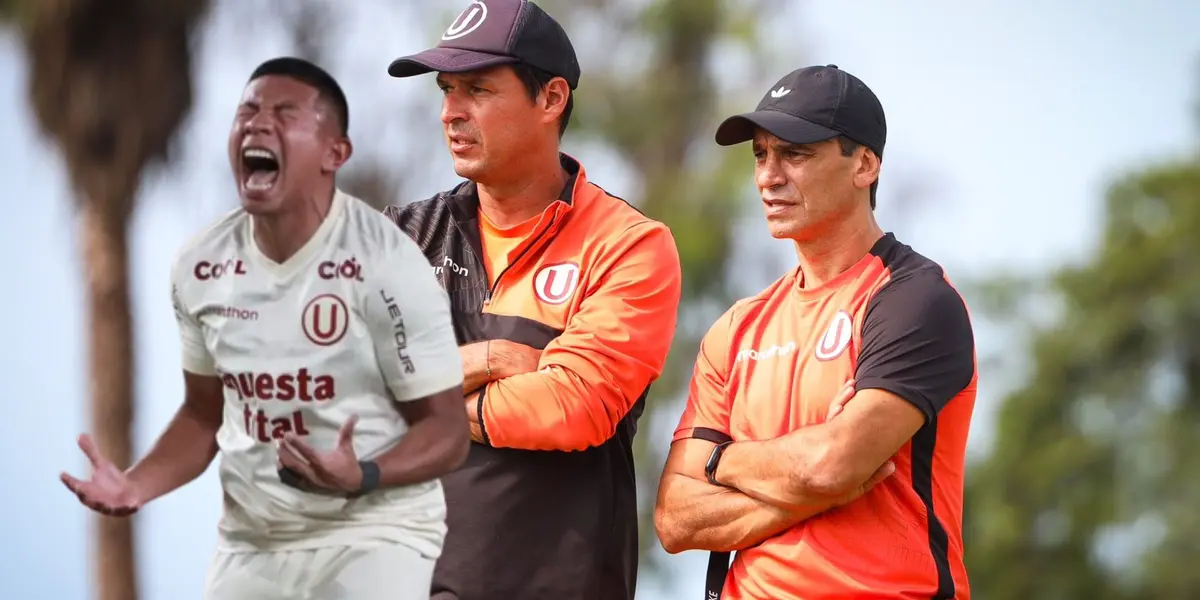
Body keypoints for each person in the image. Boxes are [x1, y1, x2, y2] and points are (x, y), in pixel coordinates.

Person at [59, 57, 470, 600]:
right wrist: (136, 484)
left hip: (376, 532)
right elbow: (204, 414)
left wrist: (364, 474)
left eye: (284, 113)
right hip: (253, 545)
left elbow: (447, 431)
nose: (257, 124)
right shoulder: (200, 265)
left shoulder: (389, 263)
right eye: (247, 112)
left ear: (335, 153)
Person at [382, 1, 683, 598]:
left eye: (477, 89)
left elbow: (573, 405)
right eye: (446, 89)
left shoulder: (628, 244)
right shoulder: (398, 238)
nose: (450, 112)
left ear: (551, 98)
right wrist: (490, 358)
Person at [654, 64, 977, 600]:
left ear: (865, 165)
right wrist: (810, 481)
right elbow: (674, 519)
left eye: (795, 154)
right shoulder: (736, 329)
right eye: (760, 154)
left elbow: (832, 464)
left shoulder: (916, 300)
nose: (768, 176)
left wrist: (720, 462)